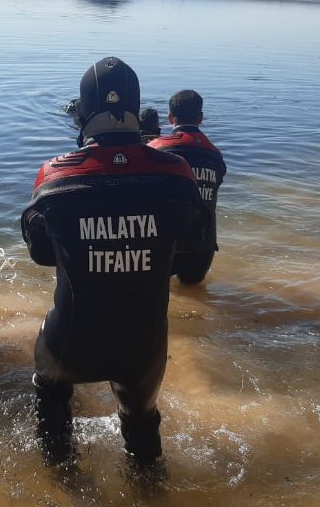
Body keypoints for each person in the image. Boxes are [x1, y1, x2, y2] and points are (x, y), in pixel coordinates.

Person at [21, 57, 208, 464]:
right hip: (143, 343)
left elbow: (40, 254)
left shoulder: (53, 178)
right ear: (136, 111)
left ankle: (61, 481)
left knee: (51, 396)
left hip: (70, 339)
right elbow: (193, 245)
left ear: (83, 115)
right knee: (142, 433)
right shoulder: (177, 175)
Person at [147, 90, 226, 284]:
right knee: (193, 291)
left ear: (170, 117)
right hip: (203, 242)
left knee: (160, 299)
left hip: (166, 241)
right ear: (200, 118)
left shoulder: (156, 148)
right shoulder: (215, 154)